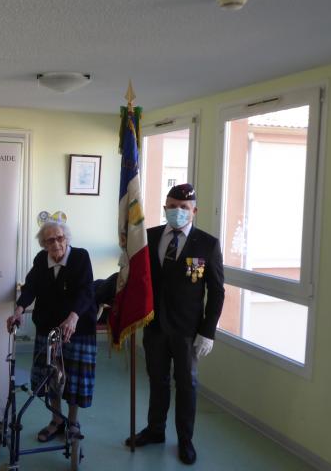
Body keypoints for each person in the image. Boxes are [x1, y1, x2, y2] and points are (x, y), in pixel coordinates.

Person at [125, 183, 224, 465]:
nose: (178, 211)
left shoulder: (207, 244)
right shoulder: (150, 236)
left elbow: (217, 291)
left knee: (186, 385)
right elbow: (139, 279)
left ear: (194, 210)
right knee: (157, 381)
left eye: (184, 207)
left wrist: (208, 331)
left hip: (187, 331)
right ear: (165, 208)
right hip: (154, 325)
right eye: (172, 206)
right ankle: (155, 430)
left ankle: (185, 440)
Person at [6, 221, 97, 442]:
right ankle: (56, 421)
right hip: (48, 327)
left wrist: (73, 317)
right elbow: (30, 288)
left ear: (67, 238)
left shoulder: (80, 257)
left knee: (74, 378)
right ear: (43, 244)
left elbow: (86, 291)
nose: (56, 243)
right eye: (50, 240)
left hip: (78, 327)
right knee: (51, 377)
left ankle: (73, 424)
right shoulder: (41, 260)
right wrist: (18, 310)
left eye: (60, 238)